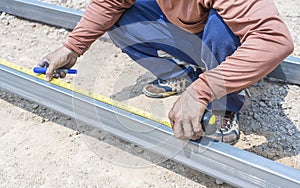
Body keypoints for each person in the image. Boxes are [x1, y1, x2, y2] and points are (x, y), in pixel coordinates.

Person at [39, 0, 293, 144]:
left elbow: (274, 40)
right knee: (123, 19)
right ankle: (179, 77)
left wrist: (204, 90)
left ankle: (224, 103)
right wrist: (72, 47)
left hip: (217, 31)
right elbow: (109, 2)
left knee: (223, 28)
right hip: (186, 24)